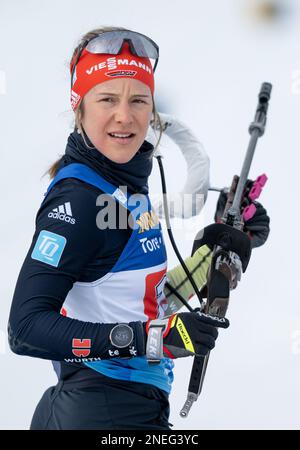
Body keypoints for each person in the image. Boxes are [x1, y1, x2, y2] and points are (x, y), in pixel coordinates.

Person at [7, 26, 270, 430]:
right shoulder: (79, 202)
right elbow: (26, 328)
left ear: (153, 112)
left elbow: (137, 300)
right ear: (80, 107)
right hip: (103, 407)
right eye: (108, 99)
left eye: (138, 100)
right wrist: (149, 338)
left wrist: (219, 249)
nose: (124, 116)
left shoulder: (124, 188)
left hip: (117, 404)